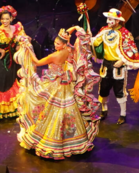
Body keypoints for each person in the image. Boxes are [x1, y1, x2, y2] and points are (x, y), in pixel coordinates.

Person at [15, 27, 102, 159]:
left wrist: (28, 48)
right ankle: (71, 139)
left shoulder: (54, 56)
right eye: (55, 43)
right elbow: (67, 36)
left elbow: (37, 62)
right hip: (66, 83)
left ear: (63, 44)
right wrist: (74, 28)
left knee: (51, 107)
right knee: (68, 108)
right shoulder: (68, 49)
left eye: (58, 44)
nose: (55, 45)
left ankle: (53, 139)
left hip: (57, 85)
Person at [89, 7, 139, 125]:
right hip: (106, 65)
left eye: (110, 19)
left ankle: (122, 114)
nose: (108, 21)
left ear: (117, 21)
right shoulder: (104, 30)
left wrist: (122, 61)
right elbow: (95, 42)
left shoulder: (125, 33)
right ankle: (104, 110)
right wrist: (89, 38)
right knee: (103, 90)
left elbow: (131, 49)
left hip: (118, 66)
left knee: (119, 91)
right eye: (108, 19)